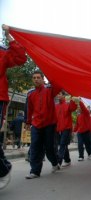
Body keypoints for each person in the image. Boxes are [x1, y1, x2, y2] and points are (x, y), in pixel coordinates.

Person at [0, 24, 27, 189]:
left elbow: (20, 58)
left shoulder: (2, 52)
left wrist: (9, 36)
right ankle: (3, 167)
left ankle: (2, 169)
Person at [24, 71, 61, 179]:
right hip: (36, 124)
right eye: (34, 78)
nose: (36, 79)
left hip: (49, 123)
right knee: (35, 147)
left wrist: (50, 73)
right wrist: (27, 122)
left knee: (49, 148)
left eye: (38, 77)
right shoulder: (30, 94)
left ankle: (55, 163)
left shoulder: (50, 90)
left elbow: (58, 85)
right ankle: (35, 171)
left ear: (43, 79)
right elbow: (29, 109)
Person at [55, 91, 77, 167]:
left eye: (60, 94)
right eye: (58, 94)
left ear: (64, 96)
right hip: (58, 129)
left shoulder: (68, 105)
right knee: (63, 145)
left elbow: (73, 108)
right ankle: (67, 160)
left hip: (66, 128)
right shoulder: (56, 106)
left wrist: (72, 98)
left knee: (62, 144)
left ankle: (58, 162)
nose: (58, 95)